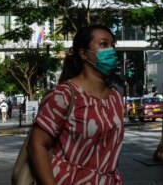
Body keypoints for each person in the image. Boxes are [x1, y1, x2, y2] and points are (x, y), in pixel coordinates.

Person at [28, 24, 124, 184]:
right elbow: (36, 145)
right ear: (83, 54)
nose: (111, 50)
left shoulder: (115, 97)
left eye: (112, 45)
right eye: (103, 44)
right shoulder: (64, 95)